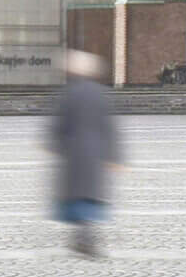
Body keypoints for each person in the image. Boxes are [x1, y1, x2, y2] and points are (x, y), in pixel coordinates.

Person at [48, 47, 121, 259]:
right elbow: (110, 127)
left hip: (73, 154)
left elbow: (57, 125)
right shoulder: (100, 94)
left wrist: (56, 145)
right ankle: (84, 241)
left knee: (77, 200)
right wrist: (114, 156)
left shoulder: (68, 93)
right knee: (88, 200)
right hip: (94, 154)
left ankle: (82, 240)